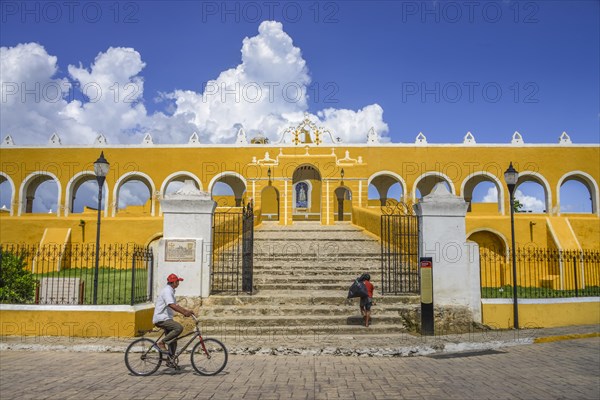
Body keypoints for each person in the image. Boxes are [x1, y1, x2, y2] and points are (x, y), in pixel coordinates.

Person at [152, 273, 195, 355]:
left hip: (166, 318)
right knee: (178, 328)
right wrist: (185, 312)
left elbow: (176, 305)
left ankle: (171, 361)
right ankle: (161, 343)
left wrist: (187, 311)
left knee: (173, 341)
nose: (178, 283)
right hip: (161, 319)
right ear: (174, 282)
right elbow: (171, 305)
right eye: (178, 282)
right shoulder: (167, 291)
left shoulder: (170, 291)